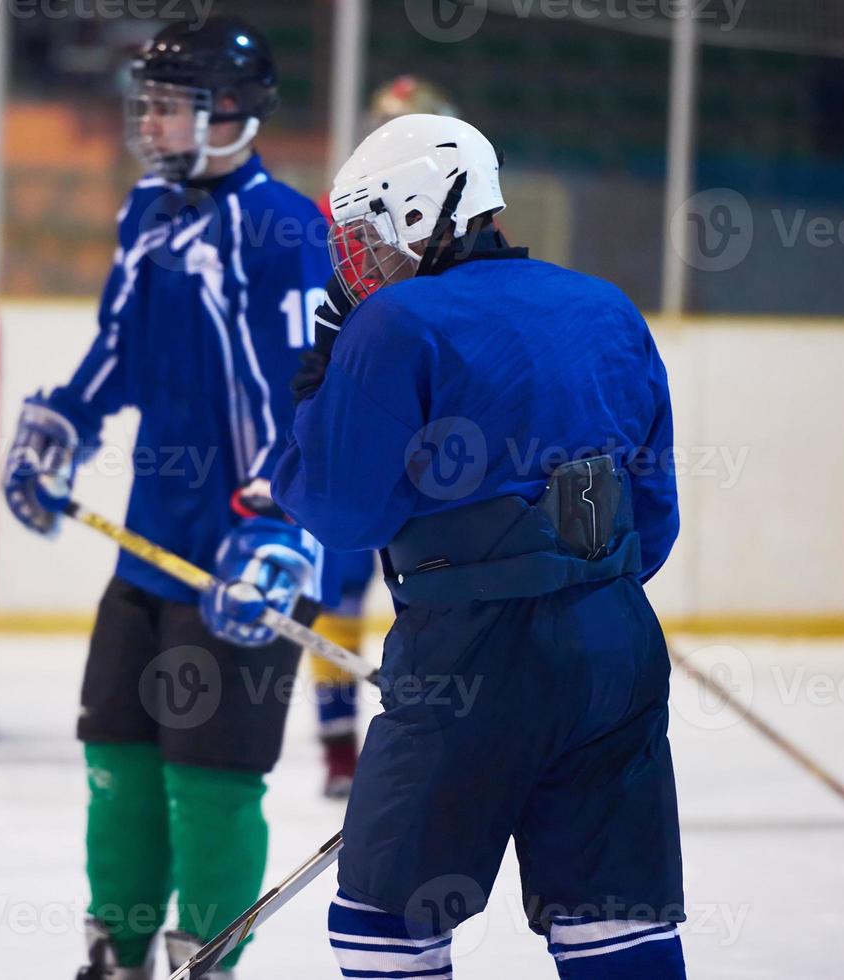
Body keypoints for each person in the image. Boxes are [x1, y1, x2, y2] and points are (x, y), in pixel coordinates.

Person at [273, 114, 686, 978]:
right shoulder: (606, 306)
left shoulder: (393, 326)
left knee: (384, 927)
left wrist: (319, 377)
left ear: (419, 213)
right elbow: (651, 524)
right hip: (618, 653)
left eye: (365, 235)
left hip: (466, 662)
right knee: (614, 923)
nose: (355, 262)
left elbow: (341, 512)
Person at [0, 18, 334, 979]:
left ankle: (206, 964)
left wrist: (280, 526)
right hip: (152, 544)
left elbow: (303, 393)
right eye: (143, 101)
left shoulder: (285, 230)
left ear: (229, 111)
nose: (146, 120)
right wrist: (65, 420)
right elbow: (118, 347)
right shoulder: (149, 208)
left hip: (248, 554)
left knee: (211, 777)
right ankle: (118, 951)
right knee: (117, 758)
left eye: (166, 102)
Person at [309, 75, 462, 800]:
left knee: (442, 581)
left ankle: (446, 720)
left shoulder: (463, 231)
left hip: (439, 435)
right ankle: (338, 743)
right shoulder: (336, 218)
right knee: (338, 587)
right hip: (366, 418)